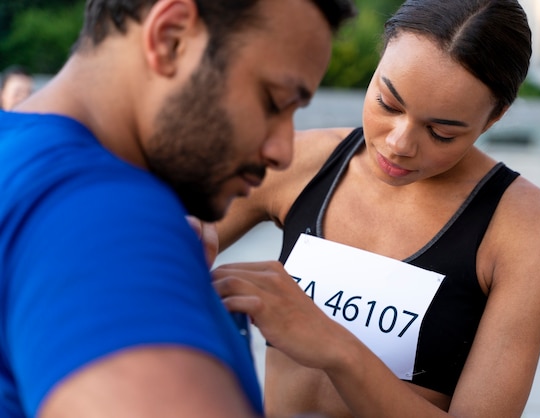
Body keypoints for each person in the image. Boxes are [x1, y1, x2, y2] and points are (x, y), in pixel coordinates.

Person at [209, 0, 540, 417]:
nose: (399, 144)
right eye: (388, 103)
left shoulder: (527, 226)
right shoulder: (301, 161)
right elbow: (157, 241)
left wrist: (334, 345)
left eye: (440, 132)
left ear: (493, 118)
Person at [0, 0, 355, 417]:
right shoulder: (101, 213)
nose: (282, 150)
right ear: (170, 38)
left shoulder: (21, 156)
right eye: (274, 102)